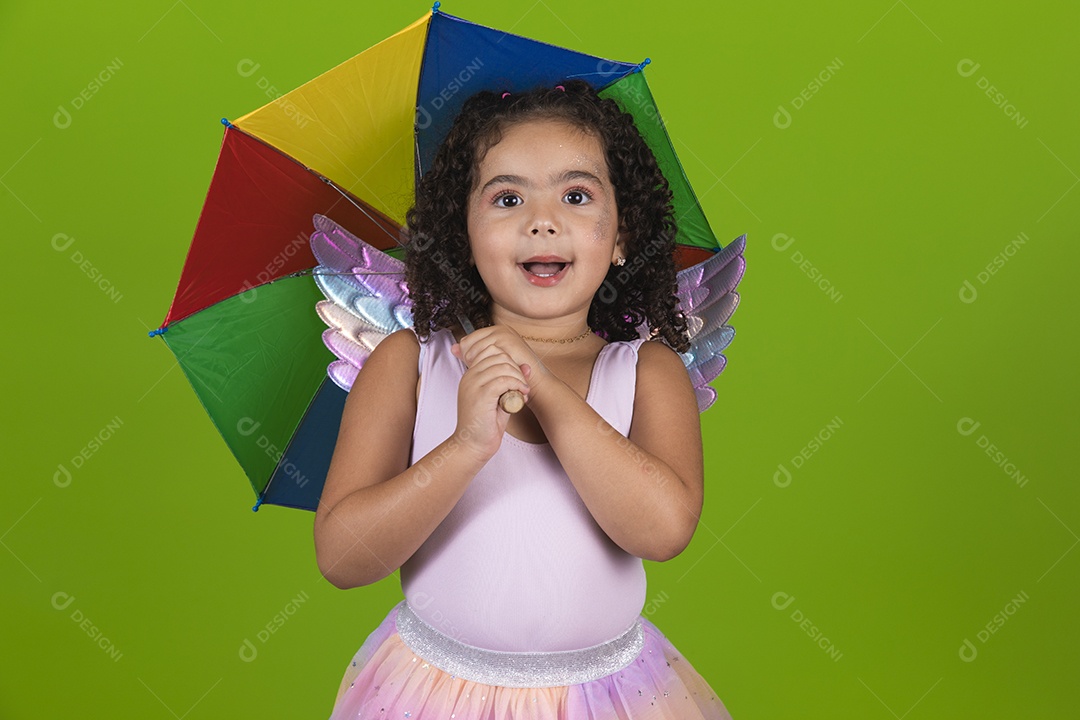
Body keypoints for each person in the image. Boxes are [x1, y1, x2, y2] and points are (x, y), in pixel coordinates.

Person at [314, 79, 733, 719]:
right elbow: (343, 559)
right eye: (507, 198)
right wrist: (465, 446)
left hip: (607, 699)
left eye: (576, 195)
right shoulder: (411, 364)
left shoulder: (647, 371)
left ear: (623, 236)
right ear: (462, 234)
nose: (542, 220)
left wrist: (544, 386)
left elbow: (663, 531)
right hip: (432, 696)